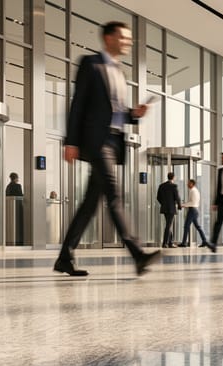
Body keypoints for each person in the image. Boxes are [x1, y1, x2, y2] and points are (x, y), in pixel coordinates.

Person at [55, 20, 160, 276]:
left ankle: (64, 259)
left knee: (91, 203)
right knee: (114, 195)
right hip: (96, 141)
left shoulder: (120, 72)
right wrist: (71, 141)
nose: (128, 42)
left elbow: (115, 112)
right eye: (124, 37)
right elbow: (77, 103)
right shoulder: (90, 64)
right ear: (109, 38)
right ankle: (137, 254)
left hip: (114, 141)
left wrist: (134, 114)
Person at [178, 179, 208, 248]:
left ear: (192, 184)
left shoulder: (193, 191)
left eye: (188, 183)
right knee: (198, 226)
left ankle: (184, 243)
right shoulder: (195, 190)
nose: (187, 184)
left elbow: (192, 202)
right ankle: (204, 241)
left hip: (192, 210)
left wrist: (183, 205)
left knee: (186, 226)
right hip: (194, 210)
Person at [156, 171, 181, 248]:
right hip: (171, 209)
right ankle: (165, 243)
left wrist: (163, 204)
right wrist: (179, 205)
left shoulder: (161, 186)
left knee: (168, 224)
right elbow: (177, 197)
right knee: (168, 225)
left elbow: (158, 197)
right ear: (173, 177)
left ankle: (170, 242)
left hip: (164, 208)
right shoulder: (174, 186)